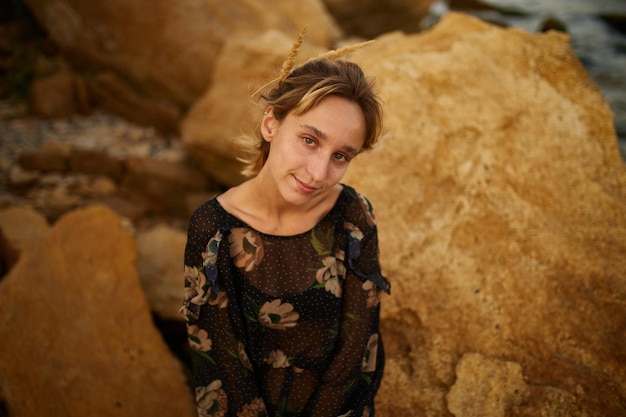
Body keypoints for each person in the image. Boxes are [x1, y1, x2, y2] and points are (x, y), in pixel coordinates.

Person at [180, 30, 390, 417]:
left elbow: (359, 346)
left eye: (341, 156)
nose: (319, 172)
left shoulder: (352, 215)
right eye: (310, 140)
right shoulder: (214, 229)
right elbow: (219, 362)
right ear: (271, 125)